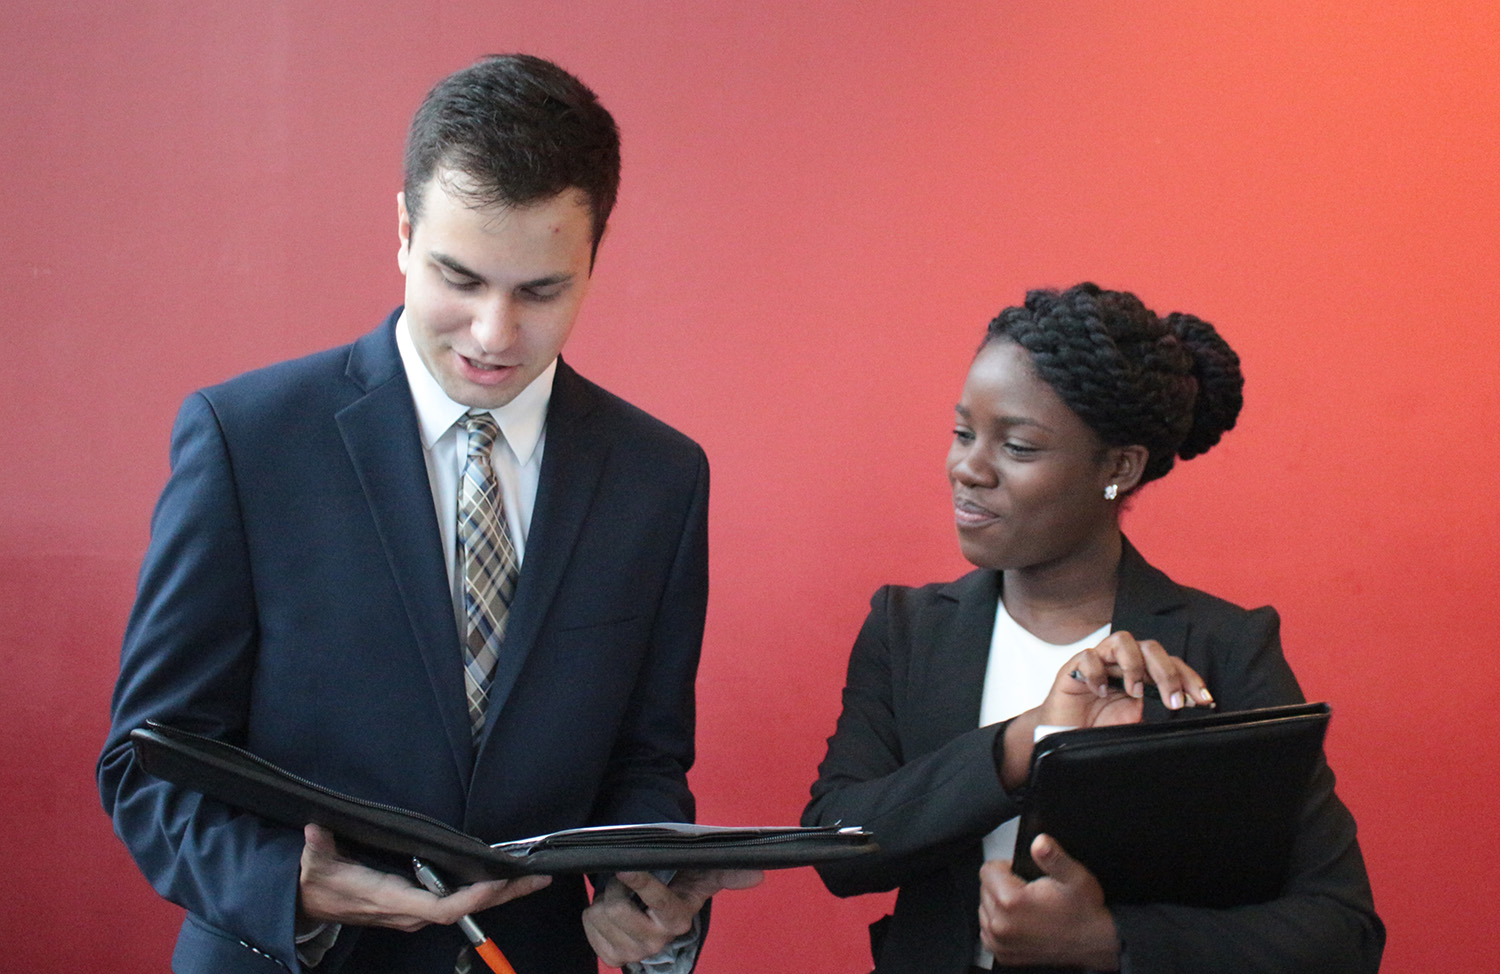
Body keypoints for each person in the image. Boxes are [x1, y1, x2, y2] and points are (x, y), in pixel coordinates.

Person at [99, 54, 757, 974]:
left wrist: (650, 901)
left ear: (593, 259)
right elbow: (144, 762)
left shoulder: (661, 478)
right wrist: (287, 883)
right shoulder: (246, 441)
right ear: (404, 232)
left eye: (540, 291)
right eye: (460, 277)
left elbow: (646, 770)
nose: (493, 333)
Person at [802, 283, 1384, 973]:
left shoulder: (1223, 650)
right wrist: (1026, 741)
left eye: (1016, 446)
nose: (967, 468)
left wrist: (1109, 941)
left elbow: (1343, 931)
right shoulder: (907, 631)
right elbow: (837, 847)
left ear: (1119, 467)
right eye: (963, 432)